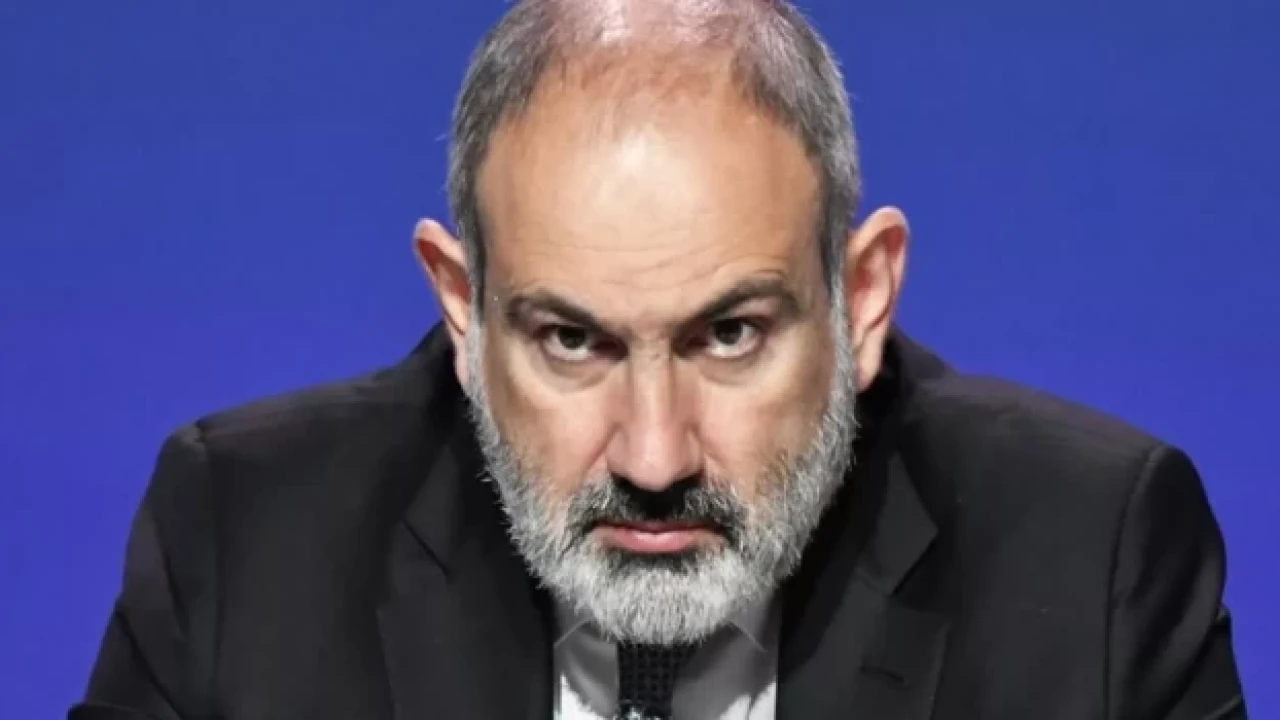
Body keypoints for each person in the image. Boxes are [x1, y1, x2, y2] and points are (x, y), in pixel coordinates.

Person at [71, 1, 1246, 718]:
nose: (651, 457)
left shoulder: (1086, 561)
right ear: (463, 314)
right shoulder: (246, 540)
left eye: (728, 335)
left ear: (859, 300)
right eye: (570, 340)